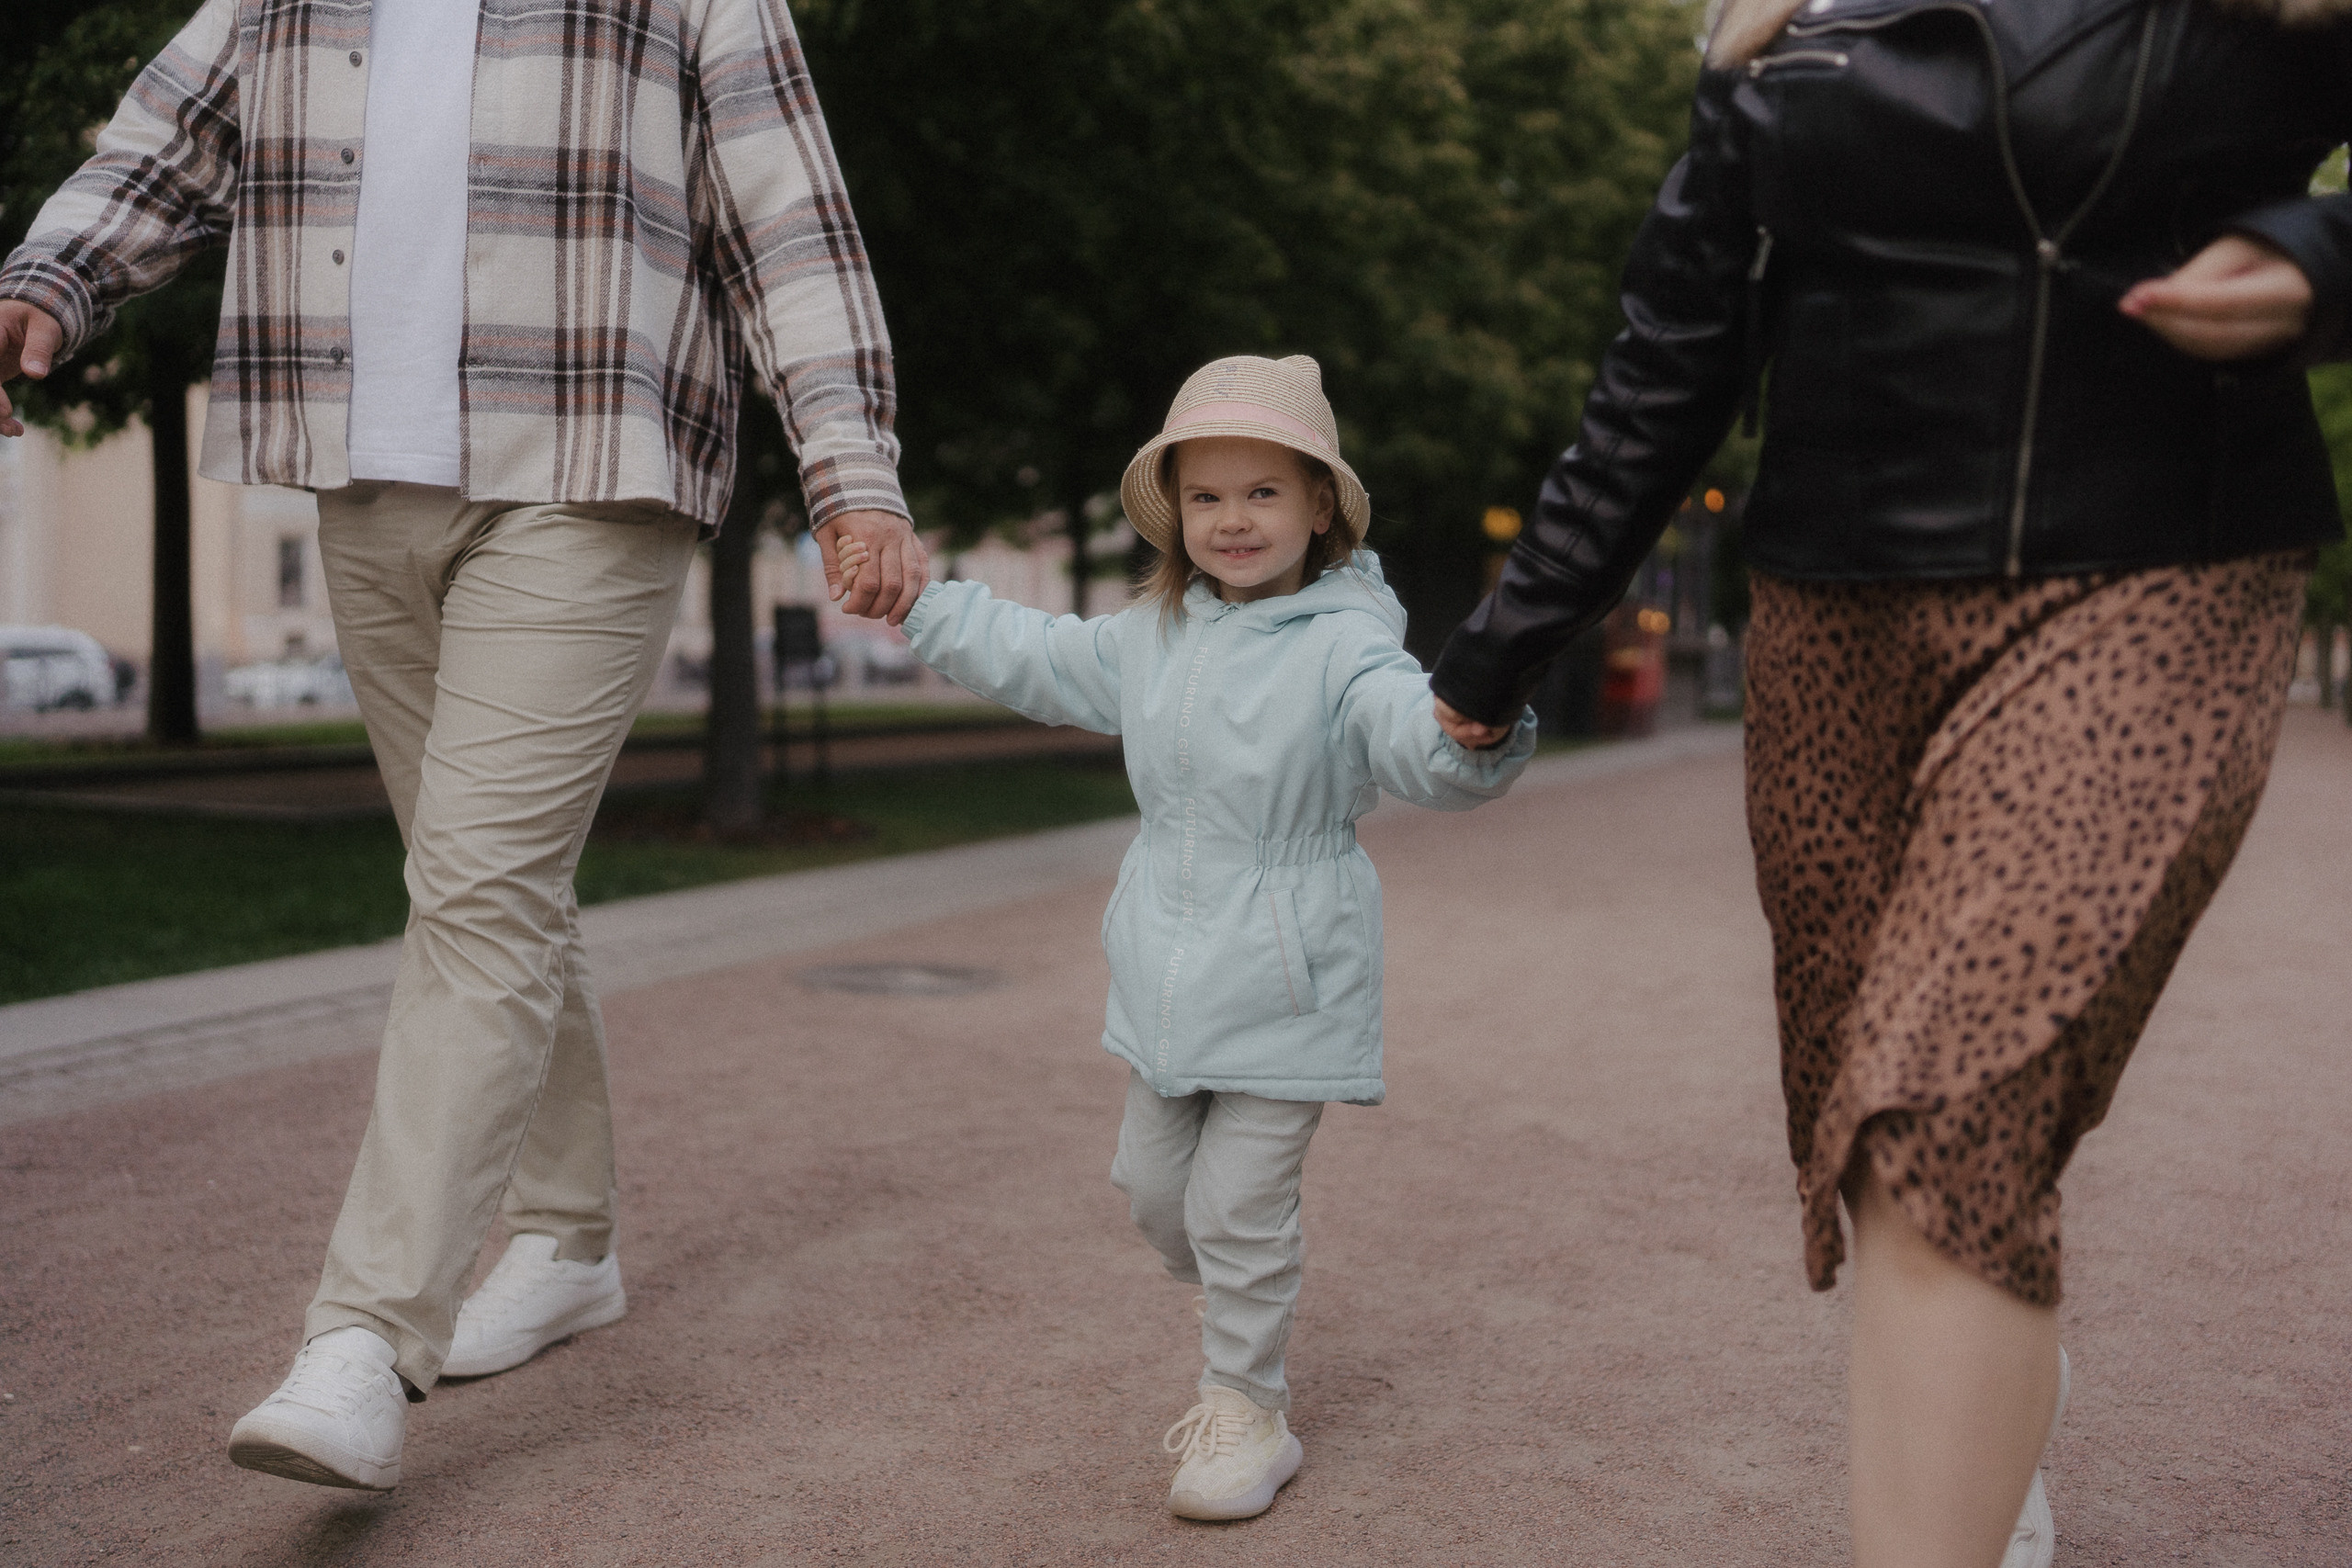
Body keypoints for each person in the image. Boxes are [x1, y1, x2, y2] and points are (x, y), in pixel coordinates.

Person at [1426, 1, 2351, 1564]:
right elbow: (1679, 343)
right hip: (1831, 609)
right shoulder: (1779, 17)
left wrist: (2327, 262)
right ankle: (1994, 1424)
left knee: (1944, 1108)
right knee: (1878, 1140)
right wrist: (1499, 647)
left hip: (2153, 572)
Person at [0, 0, 929, 1491]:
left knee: (480, 887)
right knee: (476, 878)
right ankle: (567, 1239)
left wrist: (852, 468)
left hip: (590, 467)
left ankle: (364, 1337)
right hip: (363, 478)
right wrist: (52, 277)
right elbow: (167, 134)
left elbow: (787, 222)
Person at [842, 354, 1535, 1520]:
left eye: (1263, 493)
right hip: (1165, 973)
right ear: (1176, 514)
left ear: (1320, 506)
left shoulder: (1346, 645)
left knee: (1235, 1207)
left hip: (1290, 969)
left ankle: (1245, 1410)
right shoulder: (1153, 634)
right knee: (1155, 1191)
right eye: (1206, 497)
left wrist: (1472, 728)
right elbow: (1040, 655)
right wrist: (926, 602)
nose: (1233, 520)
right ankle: (1233, 1297)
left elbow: (1408, 740)